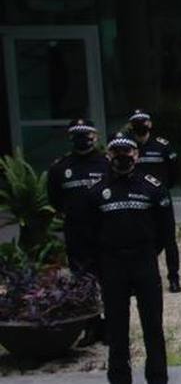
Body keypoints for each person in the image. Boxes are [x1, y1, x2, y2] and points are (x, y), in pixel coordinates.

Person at [68, 134, 175, 384]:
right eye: (117, 152)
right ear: (108, 156)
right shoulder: (96, 190)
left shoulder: (152, 187)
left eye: (127, 151)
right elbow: (86, 232)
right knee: (116, 327)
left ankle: (158, 382)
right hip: (112, 264)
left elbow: (165, 230)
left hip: (144, 261)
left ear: (136, 155)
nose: (122, 156)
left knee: (152, 324)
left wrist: (150, 253)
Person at [128, 108, 181, 293]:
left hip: (160, 199)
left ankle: (174, 277)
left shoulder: (162, 145)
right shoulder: (128, 148)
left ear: (150, 124)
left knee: (169, 239)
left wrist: (164, 188)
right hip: (136, 200)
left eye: (143, 121)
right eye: (136, 122)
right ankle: (140, 278)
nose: (140, 125)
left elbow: (174, 171)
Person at [46, 118, 109, 275]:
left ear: (95, 136)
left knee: (107, 271)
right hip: (76, 229)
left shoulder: (107, 164)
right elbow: (55, 198)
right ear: (70, 137)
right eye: (77, 134)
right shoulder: (59, 167)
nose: (82, 138)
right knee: (79, 274)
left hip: (104, 226)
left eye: (86, 134)